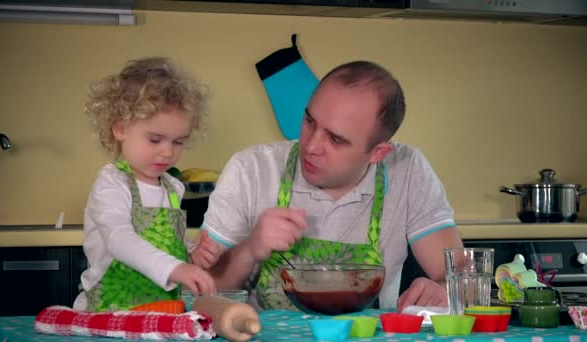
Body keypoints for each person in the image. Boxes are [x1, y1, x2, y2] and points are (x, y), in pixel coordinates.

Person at [192, 60, 463, 311]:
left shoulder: (408, 169)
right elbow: (202, 291)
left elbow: (459, 275)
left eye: (335, 139)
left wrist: (442, 289)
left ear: (377, 153)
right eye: (309, 121)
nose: (311, 146)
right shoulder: (250, 169)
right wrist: (250, 249)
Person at [73, 57, 215, 312]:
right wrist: (176, 269)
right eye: (155, 139)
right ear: (120, 129)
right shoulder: (113, 183)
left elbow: (171, 245)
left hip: (162, 313)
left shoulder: (173, 188)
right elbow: (119, 239)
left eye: (178, 142)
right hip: (109, 312)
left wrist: (192, 254)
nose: (167, 152)